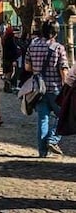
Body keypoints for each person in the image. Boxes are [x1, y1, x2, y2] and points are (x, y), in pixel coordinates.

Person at [25, 20, 69, 158]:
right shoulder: (58, 48)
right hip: (55, 89)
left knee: (42, 119)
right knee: (65, 116)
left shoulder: (32, 46)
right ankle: (53, 139)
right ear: (56, 32)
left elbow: (27, 67)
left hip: (39, 89)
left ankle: (42, 152)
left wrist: (38, 71)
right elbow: (64, 71)